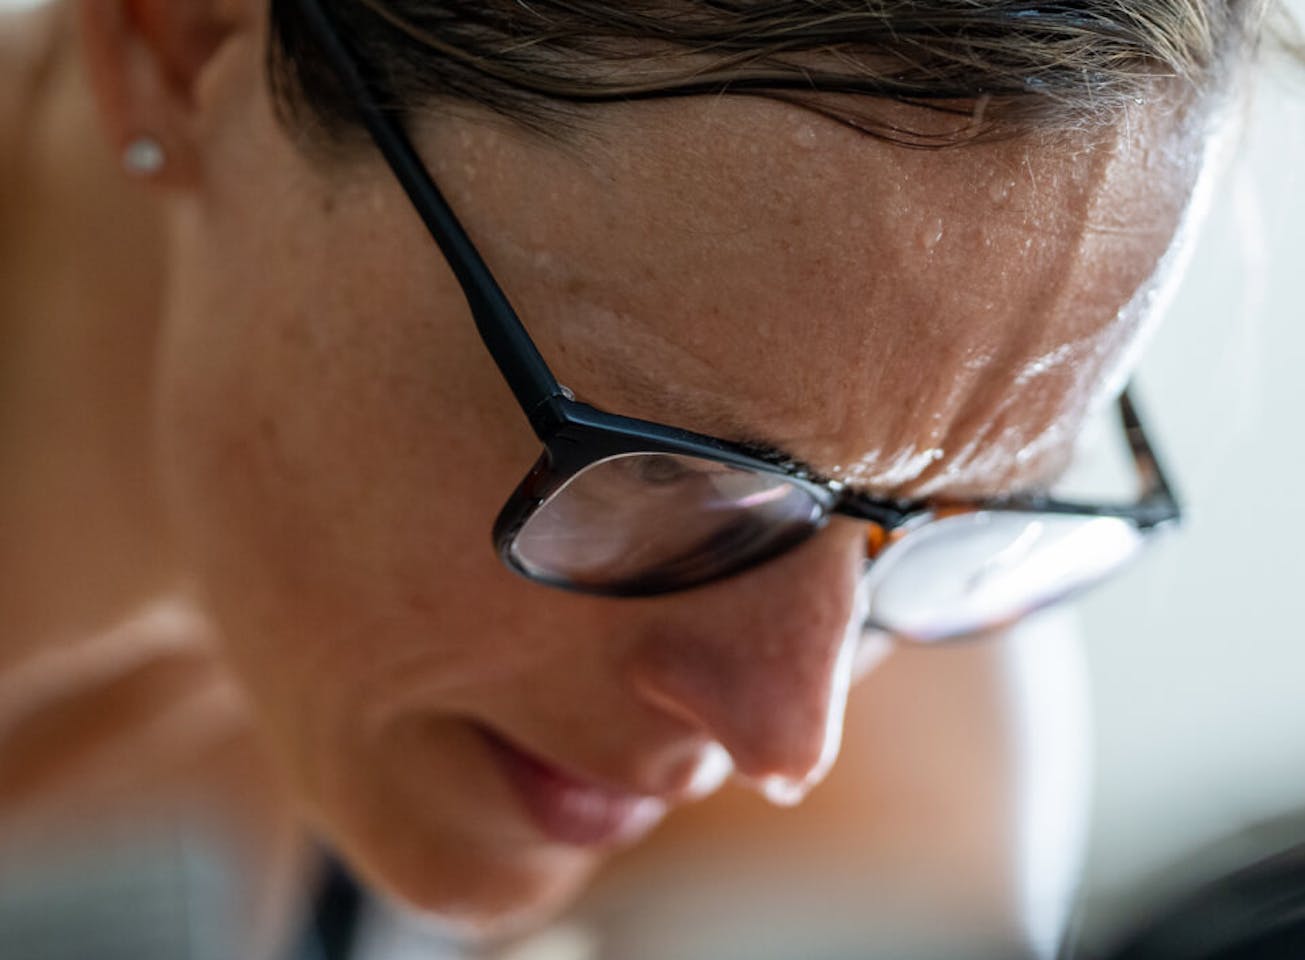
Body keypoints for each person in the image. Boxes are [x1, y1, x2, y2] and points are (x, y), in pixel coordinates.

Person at [0, 0, 1282, 956]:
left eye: (972, 498)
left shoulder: (893, 631)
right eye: (664, 472)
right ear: (185, 44)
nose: (789, 734)